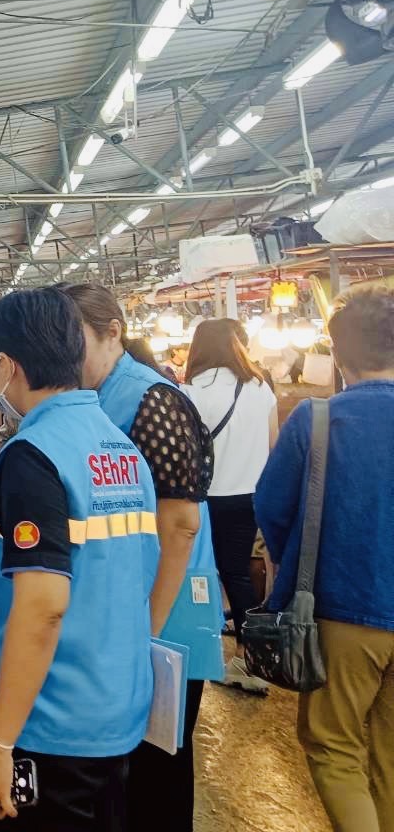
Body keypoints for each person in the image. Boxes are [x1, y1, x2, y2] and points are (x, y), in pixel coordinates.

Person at [0, 288, 158, 829]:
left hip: (51, 721)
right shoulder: (118, 448)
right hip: (116, 707)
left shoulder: (32, 456)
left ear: (7, 365)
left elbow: (43, 608)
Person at [60, 284, 222, 832]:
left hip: (165, 613)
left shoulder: (152, 400)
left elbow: (180, 524)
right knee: (127, 774)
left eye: (73, 338)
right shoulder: (97, 396)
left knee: (157, 773)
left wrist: (145, 631)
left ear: (113, 332)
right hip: (129, 612)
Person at [255, 283, 394, 832]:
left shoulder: (317, 419)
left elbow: (272, 506)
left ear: (336, 352)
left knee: (333, 745)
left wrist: (299, 564)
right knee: (389, 753)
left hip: (343, 609)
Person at [183, 319, 279, 695]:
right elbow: (273, 444)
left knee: (202, 573)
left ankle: (202, 650)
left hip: (206, 498)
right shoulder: (260, 387)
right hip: (251, 495)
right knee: (237, 574)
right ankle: (248, 658)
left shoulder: (191, 391)